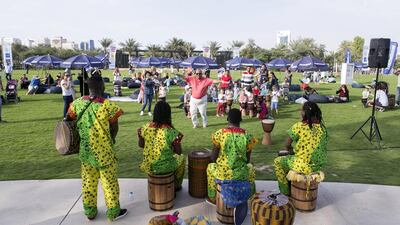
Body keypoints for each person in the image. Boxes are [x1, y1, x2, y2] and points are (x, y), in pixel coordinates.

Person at [66, 76, 127, 221]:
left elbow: (69, 120)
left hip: (86, 152)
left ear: (89, 88)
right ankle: (113, 212)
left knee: (88, 183)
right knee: (109, 182)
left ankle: (90, 211)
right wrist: (111, 139)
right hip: (104, 152)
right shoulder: (108, 106)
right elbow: (114, 128)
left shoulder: (77, 103)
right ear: (102, 87)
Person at [274, 101, 328, 195]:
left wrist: (291, 151)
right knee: (292, 160)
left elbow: (286, 145)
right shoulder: (323, 129)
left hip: (303, 166)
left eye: (301, 110)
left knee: (278, 161)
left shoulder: (299, 126)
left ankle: (285, 192)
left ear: (304, 112)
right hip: (317, 165)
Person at [206, 108, 257, 203]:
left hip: (223, 174)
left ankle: (212, 197)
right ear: (240, 120)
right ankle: (252, 197)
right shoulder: (248, 136)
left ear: (227, 119)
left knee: (210, 167)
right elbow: (247, 160)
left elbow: (213, 158)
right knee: (250, 167)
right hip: (241, 174)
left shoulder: (220, 133)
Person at [138, 101, 185, 191]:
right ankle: (177, 186)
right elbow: (178, 152)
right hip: (165, 167)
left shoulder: (143, 128)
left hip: (149, 165)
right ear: (168, 114)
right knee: (181, 158)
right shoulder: (172, 132)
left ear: (155, 113)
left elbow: (141, 145)